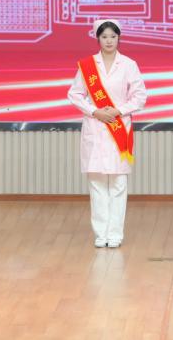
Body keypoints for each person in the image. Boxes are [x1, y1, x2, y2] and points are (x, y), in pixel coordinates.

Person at [67, 20, 148, 248]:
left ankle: (115, 235)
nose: (109, 41)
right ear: (98, 39)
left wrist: (118, 110)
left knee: (119, 184)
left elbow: (140, 96)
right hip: (95, 126)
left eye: (113, 36)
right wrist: (95, 111)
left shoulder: (129, 64)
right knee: (97, 184)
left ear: (119, 38)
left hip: (119, 126)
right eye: (104, 37)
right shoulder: (87, 66)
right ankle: (100, 234)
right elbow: (74, 94)